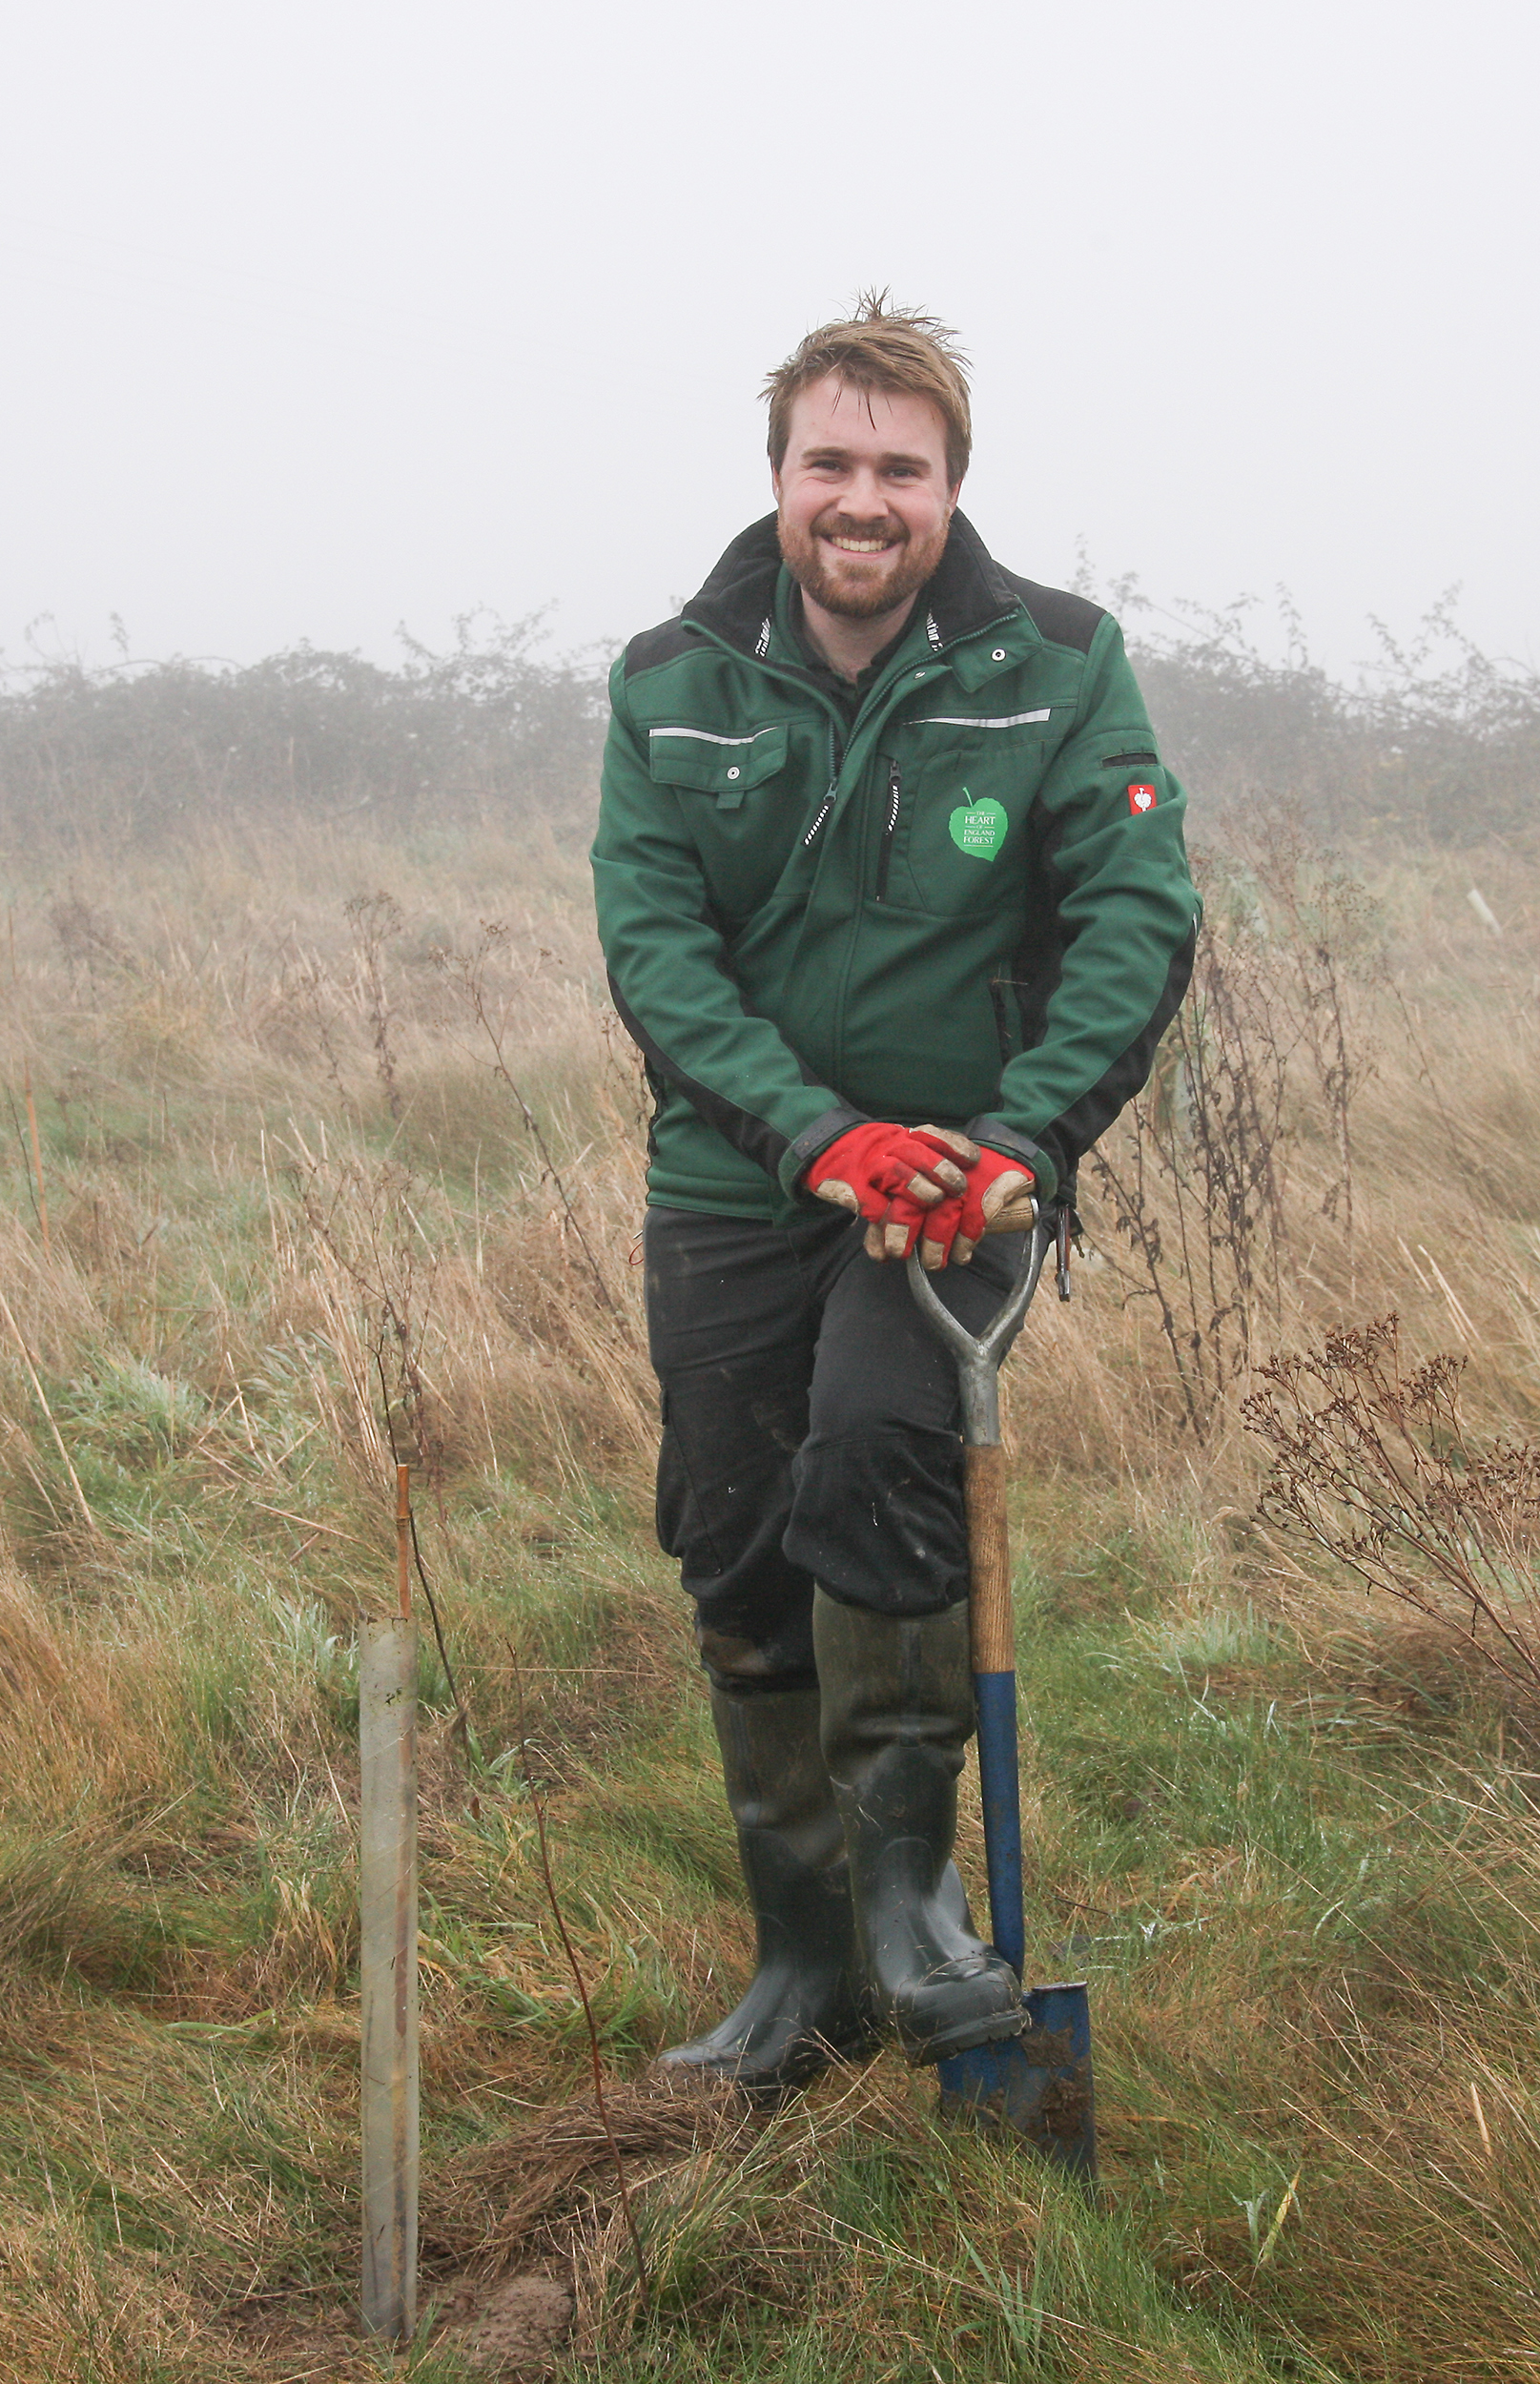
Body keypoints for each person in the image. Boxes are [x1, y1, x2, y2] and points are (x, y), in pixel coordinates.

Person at [591, 297, 1200, 2095]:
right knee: (731, 1524)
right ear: (779, 478)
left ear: (953, 487)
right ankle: (799, 1962)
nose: (864, 501)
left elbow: (1135, 913)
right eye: (830, 464)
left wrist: (1020, 1144)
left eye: (901, 470)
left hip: (956, 1196)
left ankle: (913, 1911)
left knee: (873, 1460)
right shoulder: (669, 680)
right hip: (741, 1175)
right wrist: (810, 1135)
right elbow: (657, 947)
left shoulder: (1064, 663)